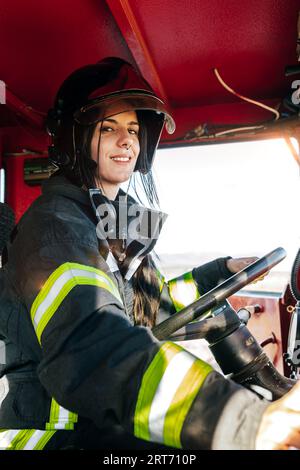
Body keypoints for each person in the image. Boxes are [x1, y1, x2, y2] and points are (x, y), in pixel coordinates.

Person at [0, 57, 299, 451]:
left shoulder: (114, 223)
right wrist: (244, 423)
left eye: (134, 129)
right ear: (76, 137)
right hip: (48, 432)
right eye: (109, 128)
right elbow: (92, 349)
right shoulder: (56, 231)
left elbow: (153, 305)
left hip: (94, 416)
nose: (126, 141)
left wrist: (215, 274)